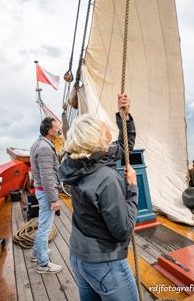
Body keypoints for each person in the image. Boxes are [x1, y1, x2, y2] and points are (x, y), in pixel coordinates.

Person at [58, 93, 139, 301]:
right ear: (95, 139)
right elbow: (123, 231)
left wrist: (125, 117)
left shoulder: (77, 163)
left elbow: (123, 148)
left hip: (79, 256)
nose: (104, 123)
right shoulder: (105, 179)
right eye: (100, 124)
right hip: (105, 264)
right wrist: (132, 189)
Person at [30, 117, 63, 274]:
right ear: (50, 131)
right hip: (46, 192)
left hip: (41, 191)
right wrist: (54, 199)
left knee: (43, 225)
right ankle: (43, 264)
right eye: (57, 128)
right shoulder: (44, 148)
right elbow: (47, 177)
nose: (58, 130)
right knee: (45, 227)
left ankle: (37, 253)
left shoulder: (39, 143)